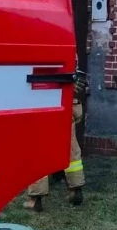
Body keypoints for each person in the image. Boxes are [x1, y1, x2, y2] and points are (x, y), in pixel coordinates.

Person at [25, 69, 87, 210]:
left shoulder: (38, 53)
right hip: (68, 104)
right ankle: (75, 189)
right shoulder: (69, 50)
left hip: (42, 104)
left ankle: (36, 199)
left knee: (38, 151)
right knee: (71, 151)